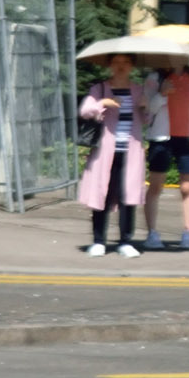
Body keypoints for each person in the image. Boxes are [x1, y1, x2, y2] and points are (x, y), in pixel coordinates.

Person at [79, 53, 152, 256]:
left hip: (130, 153)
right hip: (104, 153)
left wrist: (146, 107)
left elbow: (147, 119)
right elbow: (85, 110)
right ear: (110, 65)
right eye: (116, 62)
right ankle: (98, 240)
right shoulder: (100, 88)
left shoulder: (138, 90)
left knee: (127, 196)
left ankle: (125, 241)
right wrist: (103, 103)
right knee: (101, 195)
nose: (121, 66)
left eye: (126, 62)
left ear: (132, 66)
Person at [141, 59, 189, 250]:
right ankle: (152, 233)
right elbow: (147, 111)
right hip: (161, 138)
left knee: (187, 187)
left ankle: (188, 233)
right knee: (156, 186)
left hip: (188, 138)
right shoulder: (155, 78)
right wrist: (162, 94)